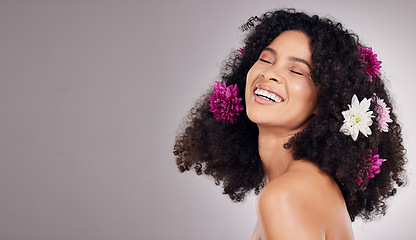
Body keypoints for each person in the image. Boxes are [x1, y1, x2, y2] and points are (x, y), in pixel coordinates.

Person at [173, 8, 406, 239]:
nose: (271, 73)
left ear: (324, 102)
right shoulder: (305, 185)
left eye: (296, 70)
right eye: (266, 59)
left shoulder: (285, 196)